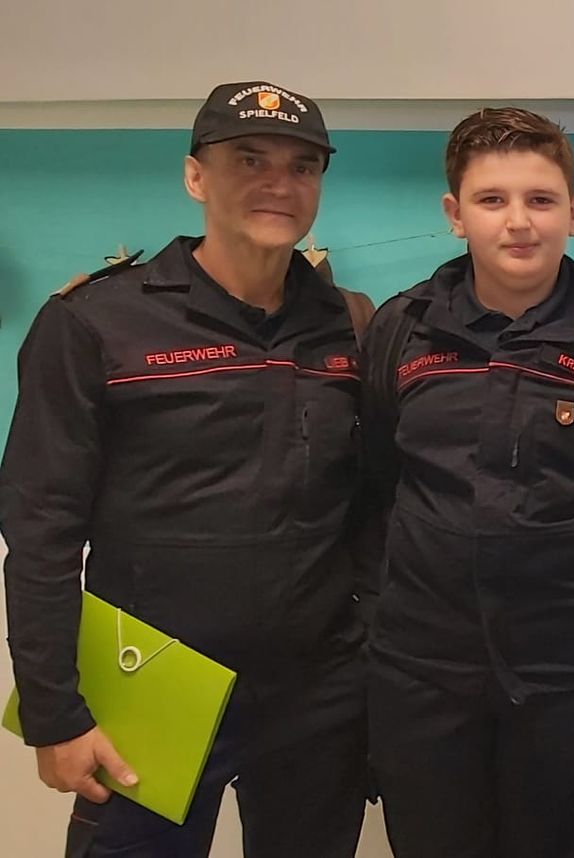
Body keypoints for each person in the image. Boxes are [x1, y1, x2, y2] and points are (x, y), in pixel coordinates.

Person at [1, 80, 371, 856]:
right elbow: (40, 530)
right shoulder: (96, 322)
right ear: (195, 176)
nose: (279, 183)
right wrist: (55, 713)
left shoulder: (353, 323)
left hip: (315, 696)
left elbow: (374, 508)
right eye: (249, 159)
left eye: (303, 166)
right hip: (152, 686)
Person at [357, 107, 574, 857]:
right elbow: (376, 485)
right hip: (423, 681)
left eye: (540, 200)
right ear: (455, 215)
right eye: (492, 199)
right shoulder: (400, 331)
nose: (518, 222)